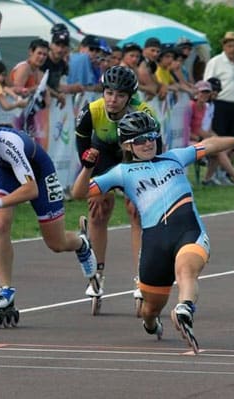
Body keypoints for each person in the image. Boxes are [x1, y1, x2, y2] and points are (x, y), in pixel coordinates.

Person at [71, 111, 234, 353]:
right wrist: (87, 168)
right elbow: (78, 193)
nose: (147, 143)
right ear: (127, 145)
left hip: (188, 232)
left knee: (186, 271)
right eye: (140, 140)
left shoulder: (174, 158)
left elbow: (208, 145)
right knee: (149, 310)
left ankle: (185, 308)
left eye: (151, 137)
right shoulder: (121, 173)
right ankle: (152, 323)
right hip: (155, 244)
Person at [0, 100, 98, 327]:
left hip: (38, 174)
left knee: (56, 243)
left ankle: (80, 243)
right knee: (1, 225)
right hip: (5, 170)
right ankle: (6, 291)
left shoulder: (7, 142)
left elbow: (31, 189)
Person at [74, 66, 157, 314]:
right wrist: (91, 171)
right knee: (98, 207)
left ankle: (142, 276)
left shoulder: (145, 114)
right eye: (109, 93)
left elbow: (154, 156)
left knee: (136, 211)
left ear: (129, 97)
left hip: (134, 159)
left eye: (120, 95)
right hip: (102, 159)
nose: (113, 99)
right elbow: (83, 155)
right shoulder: (91, 111)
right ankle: (98, 272)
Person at [204, 32, 234, 178]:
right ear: (224, 46)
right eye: (229, 46)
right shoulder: (216, 62)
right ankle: (214, 173)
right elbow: (207, 82)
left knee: (233, 140)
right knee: (219, 140)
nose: (232, 49)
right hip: (220, 103)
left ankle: (226, 173)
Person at [189, 80, 234, 186]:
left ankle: (218, 175)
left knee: (233, 145)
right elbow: (193, 129)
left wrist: (216, 138)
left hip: (202, 137)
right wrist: (212, 138)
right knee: (219, 150)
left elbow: (208, 129)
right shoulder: (191, 105)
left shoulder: (207, 106)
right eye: (203, 92)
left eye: (207, 92)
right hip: (192, 139)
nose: (206, 94)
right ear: (196, 92)